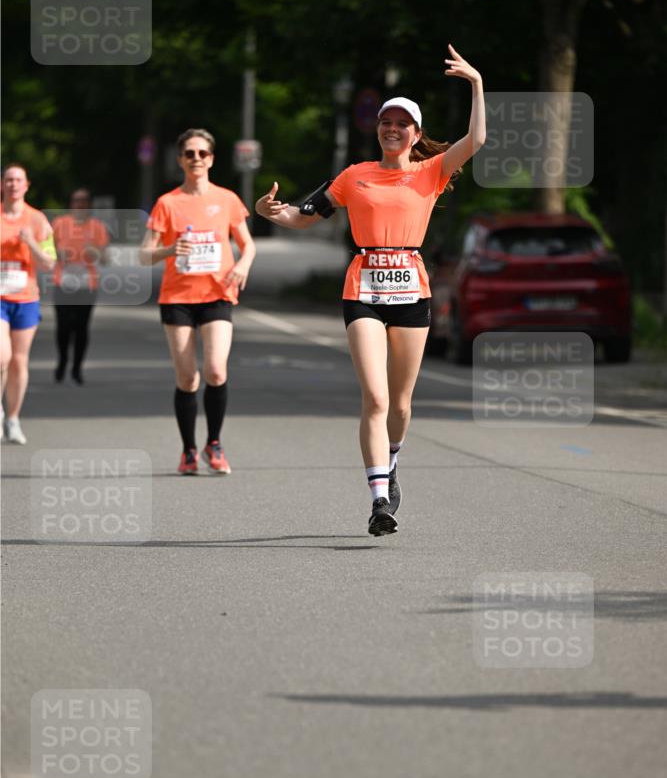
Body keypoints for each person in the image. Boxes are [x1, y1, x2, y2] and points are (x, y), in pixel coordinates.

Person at [257, 46, 486, 536]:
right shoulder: (353, 176)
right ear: (377, 128)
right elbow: (304, 214)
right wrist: (272, 214)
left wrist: (476, 84)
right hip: (362, 287)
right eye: (386, 121)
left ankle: (392, 458)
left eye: (403, 123)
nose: (392, 128)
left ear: (416, 135)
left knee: (401, 404)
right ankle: (380, 499)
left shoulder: (431, 172)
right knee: (376, 399)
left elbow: (477, 138)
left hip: (411, 289)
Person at [140, 128, 256, 474]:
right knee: (188, 378)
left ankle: (214, 444)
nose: (196, 159)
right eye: (189, 153)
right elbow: (144, 255)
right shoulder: (168, 203)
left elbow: (248, 244)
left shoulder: (228, 199)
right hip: (177, 298)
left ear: (211, 159)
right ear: (180, 160)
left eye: (202, 153)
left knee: (216, 370)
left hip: (217, 294)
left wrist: (243, 265)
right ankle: (189, 450)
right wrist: (169, 249)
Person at [1, 163, 56, 444]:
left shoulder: (37, 220)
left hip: (26, 298)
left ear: (26, 185)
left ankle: (12, 418)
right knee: (2, 356)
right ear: (2, 185)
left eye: (18, 180)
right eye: (8, 180)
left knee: (19, 361)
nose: (13, 184)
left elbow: (49, 262)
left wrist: (31, 242)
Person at [51, 188, 110, 384]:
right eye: (76, 201)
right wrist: (58, 254)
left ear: (89, 205)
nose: (80, 204)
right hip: (63, 281)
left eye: (84, 201)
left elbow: (106, 258)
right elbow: (46, 250)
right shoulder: (60, 224)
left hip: (87, 283)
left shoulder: (97, 227)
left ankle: (77, 367)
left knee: (81, 328)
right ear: (71, 204)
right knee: (63, 326)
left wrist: (95, 253)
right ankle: (62, 360)